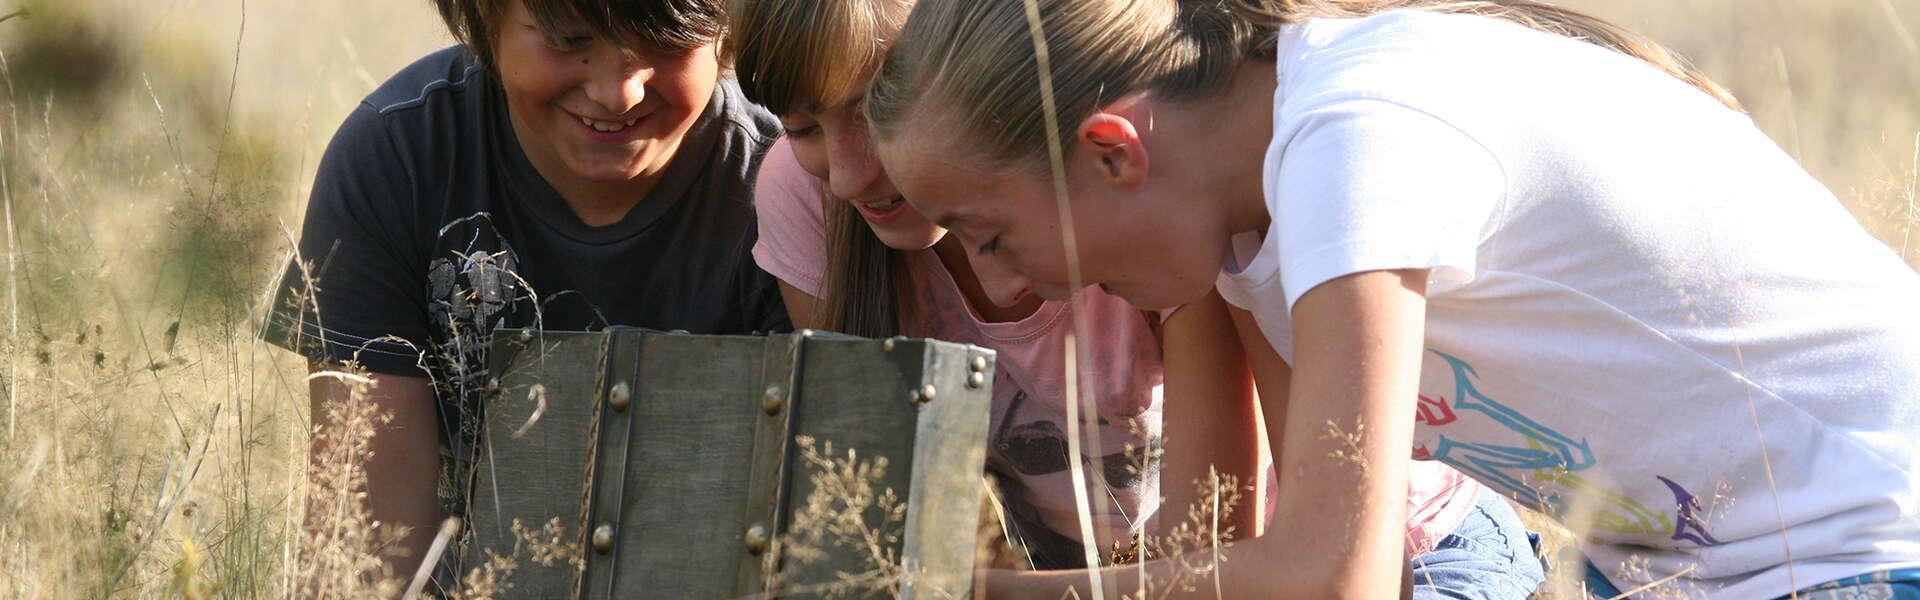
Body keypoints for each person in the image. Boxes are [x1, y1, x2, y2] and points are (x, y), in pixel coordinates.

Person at [864, 0, 1920, 598]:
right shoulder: (1249, 240)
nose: (1006, 282)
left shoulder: (1350, 136)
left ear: (1109, 154)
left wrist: (962, 594)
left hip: (1871, 547)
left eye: (994, 234)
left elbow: (1333, 576)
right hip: (1685, 574)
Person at [728, 1, 1543, 596]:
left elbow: (1224, 523)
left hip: (1401, 554)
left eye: (873, 111)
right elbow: (880, 499)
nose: (849, 170)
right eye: (802, 128)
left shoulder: (1148, 222)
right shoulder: (813, 208)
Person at [263, 0, 788, 588]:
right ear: (486, 20)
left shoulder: (794, 184)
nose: (618, 94)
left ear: (728, 35)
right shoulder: (399, 156)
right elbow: (369, 557)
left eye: (665, 44)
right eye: (568, 39)